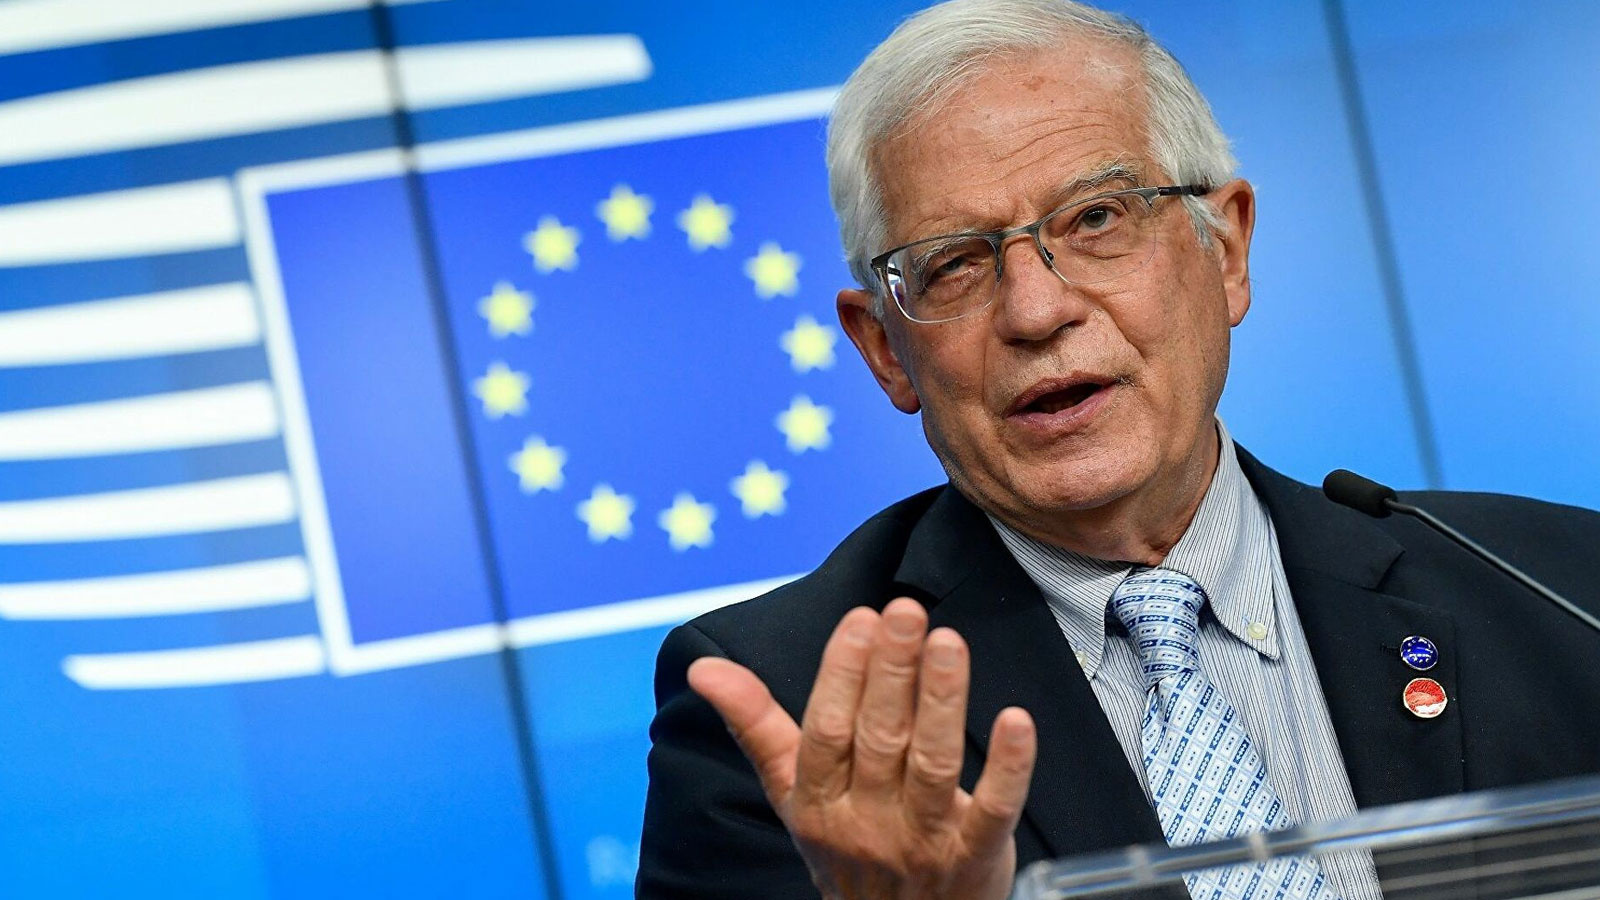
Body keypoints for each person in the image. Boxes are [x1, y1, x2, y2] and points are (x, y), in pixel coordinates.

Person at [636, 1, 1600, 898]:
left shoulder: (1559, 588)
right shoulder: (788, 723)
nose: (1036, 310)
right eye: (954, 264)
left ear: (1226, 249)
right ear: (887, 349)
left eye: (1097, 218)